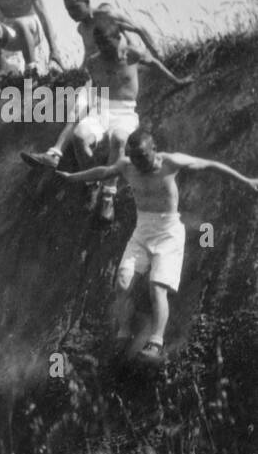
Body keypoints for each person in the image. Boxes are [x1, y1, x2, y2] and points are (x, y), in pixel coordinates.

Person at [55, 129, 258, 364]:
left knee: (156, 287)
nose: (139, 162)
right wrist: (73, 177)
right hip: (142, 230)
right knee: (122, 282)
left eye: (143, 156)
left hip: (168, 232)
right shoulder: (127, 165)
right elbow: (103, 172)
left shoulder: (171, 162)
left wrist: (246, 181)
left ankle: (155, 342)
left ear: (154, 150)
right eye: (135, 157)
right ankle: (123, 332)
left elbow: (209, 165)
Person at [21, 16, 192, 222]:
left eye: (107, 43)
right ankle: (92, 184)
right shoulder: (94, 62)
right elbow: (94, 87)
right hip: (101, 110)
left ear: (118, 38)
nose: (104, 48)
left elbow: (155, 63)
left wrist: (177, 80)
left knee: (119, 139)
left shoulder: (133, 55)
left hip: (125, 112)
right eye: (100, 44)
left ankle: (108, 196)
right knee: (79, 136)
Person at [63, 0, 163, 63]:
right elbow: (89, 52)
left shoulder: (108, 14)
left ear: (87, 2)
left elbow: (139, 28)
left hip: (130, 59)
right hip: (112, 70)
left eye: (75, 7)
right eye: (68, 10)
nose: (72, 13)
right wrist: (78, 75)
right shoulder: (81, 29)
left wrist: (157, 53)